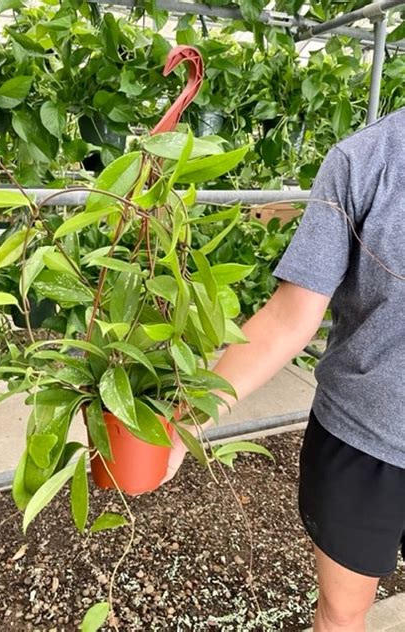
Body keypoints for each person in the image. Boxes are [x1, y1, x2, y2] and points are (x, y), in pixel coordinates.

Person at [162, 106, 405, 632]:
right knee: (341, 615)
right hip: (363, 438)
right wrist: (186, 423)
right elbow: (288, 318)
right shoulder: (364, 161)